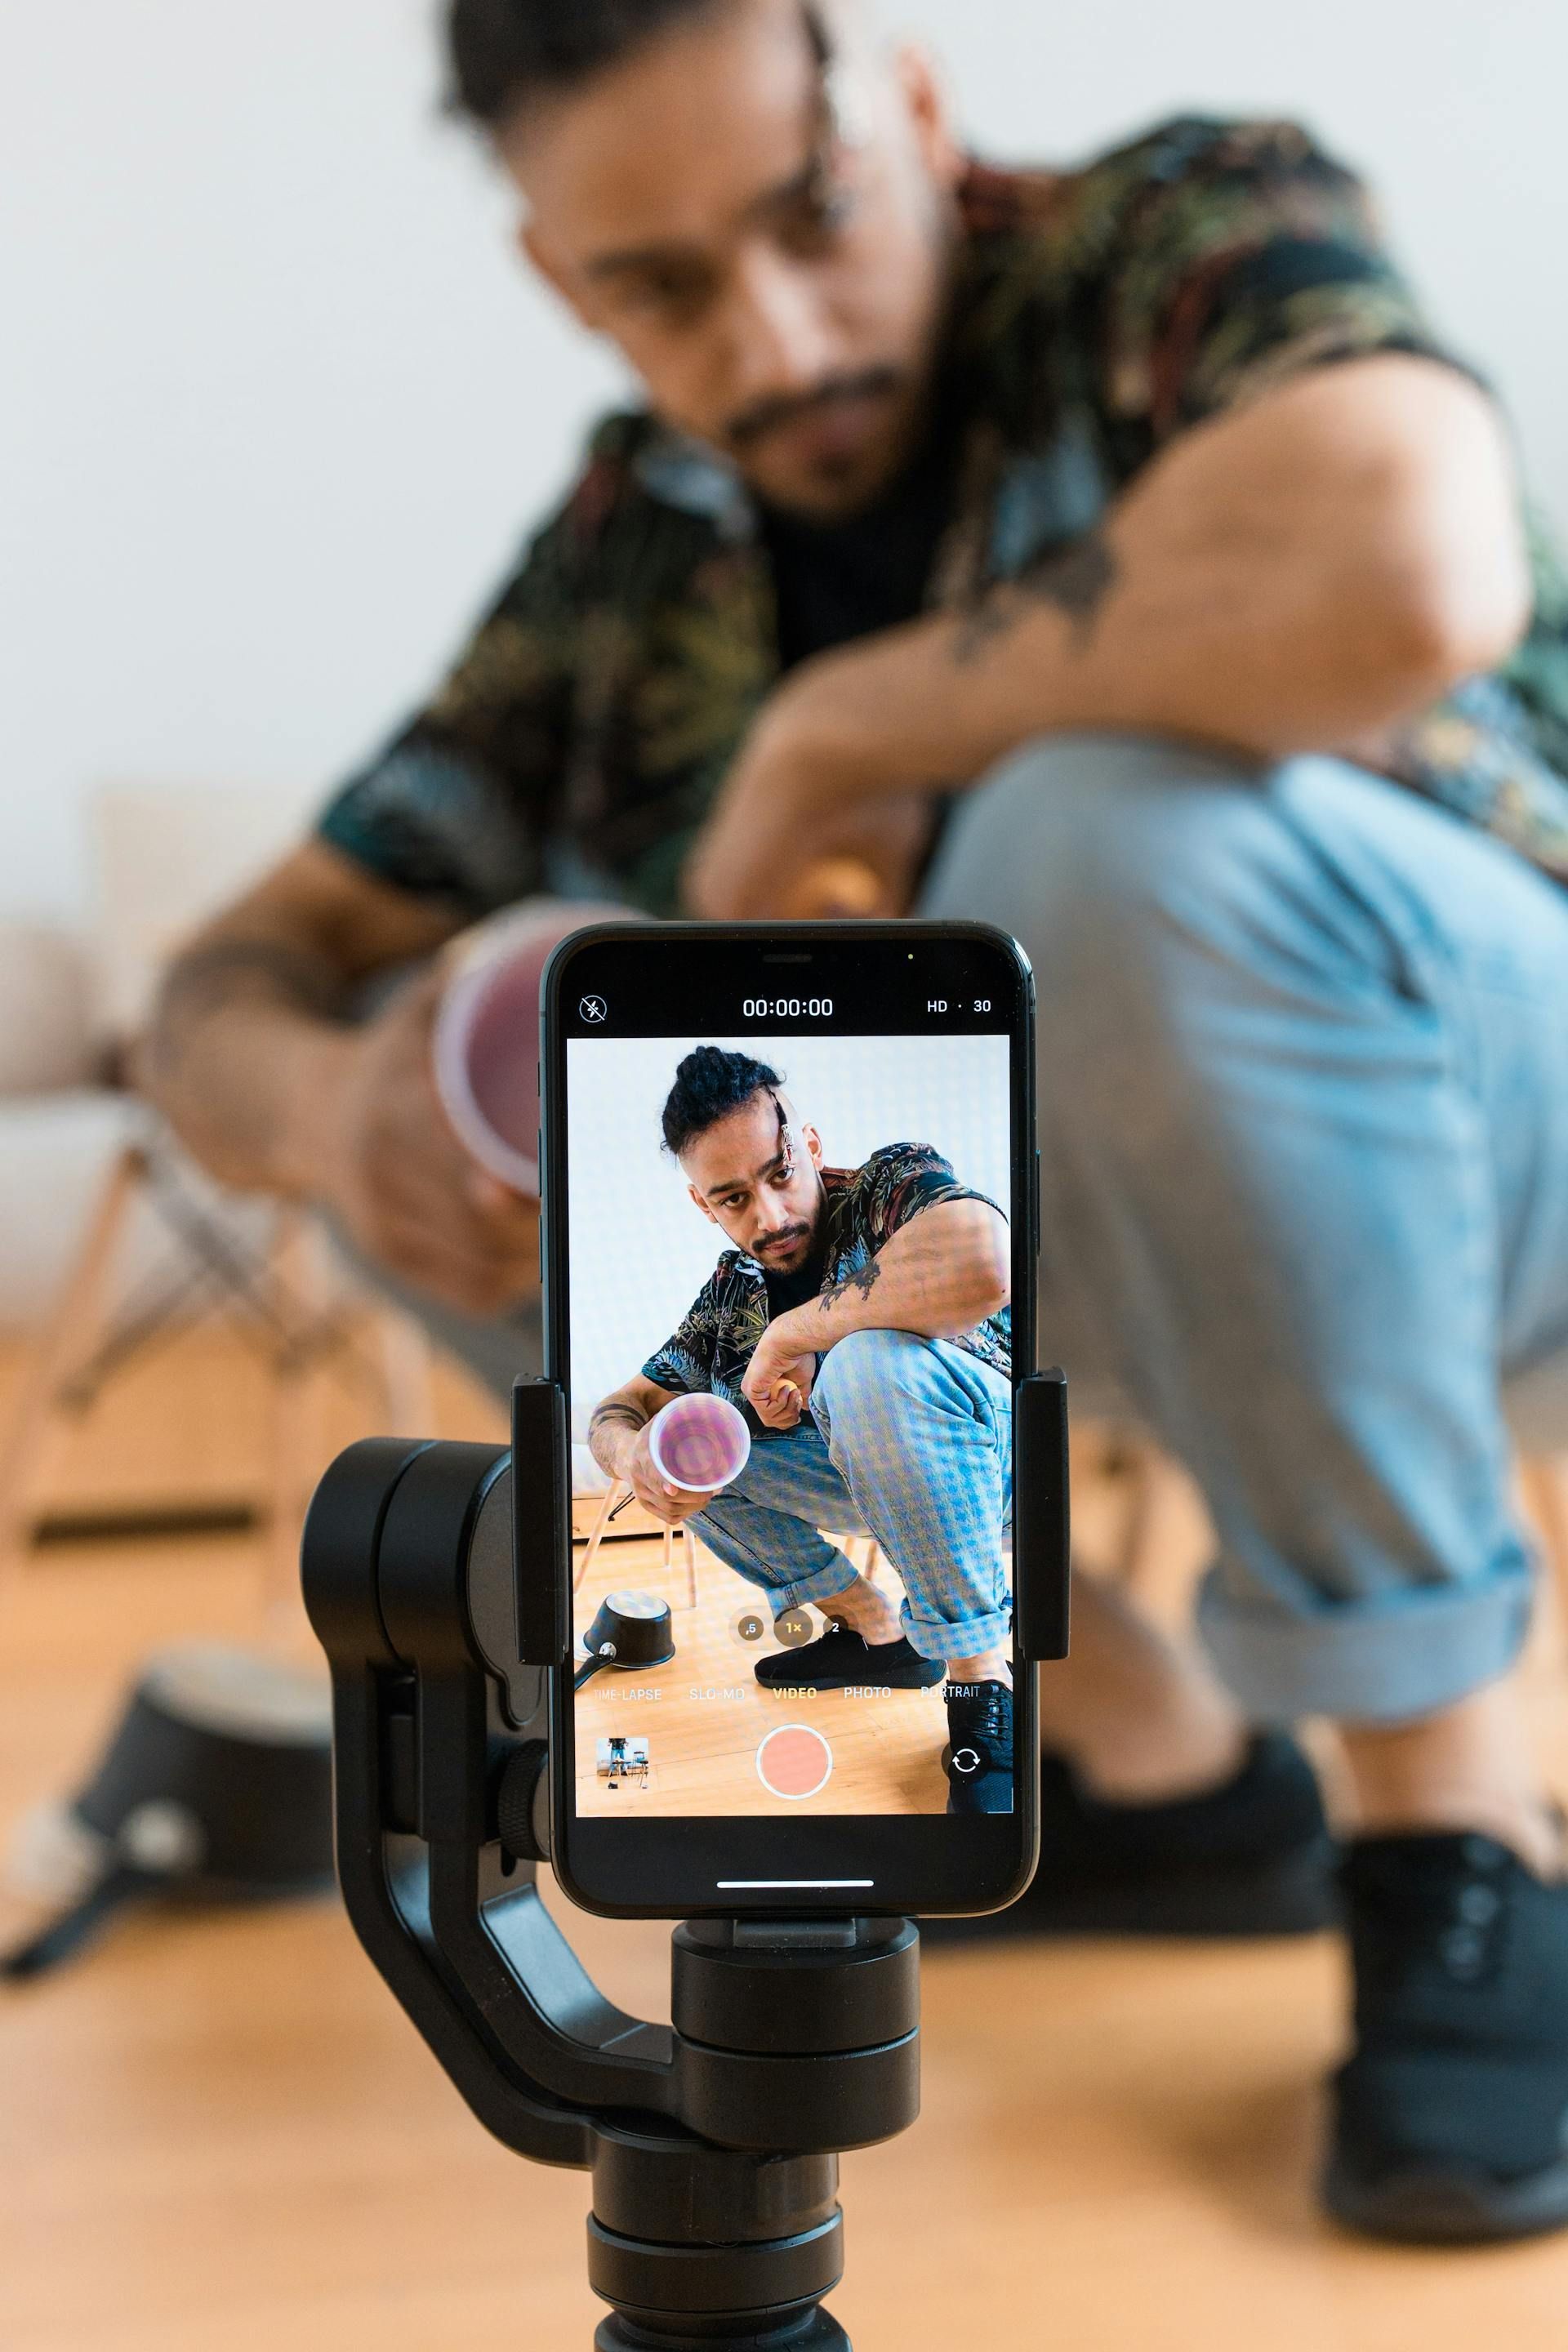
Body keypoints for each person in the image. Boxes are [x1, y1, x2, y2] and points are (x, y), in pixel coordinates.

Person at [141, 0, 1568, 2243]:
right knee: (517, 1032)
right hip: (1082, 1277)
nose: (778, 336)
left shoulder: (1178, 237)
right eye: (668, 288)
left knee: (1096, 844)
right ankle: (1156, 1767)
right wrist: (333, 1109)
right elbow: (230, 980)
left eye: (810, 217)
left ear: (905, 100)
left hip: (1491, 1133)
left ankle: (1455, 1830)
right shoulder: (630, 547)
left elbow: (1413, 553)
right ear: (558, 278)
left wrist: (831, 730)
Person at [589, 1047, 1017, 1812]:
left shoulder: (890, 1183)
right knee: (686, 1440)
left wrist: (793, 1336)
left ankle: (981, 1684)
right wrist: (636, 1459)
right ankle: (876, 1633)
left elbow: (984, 1261)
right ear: (704, 1206)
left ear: (810, 1147)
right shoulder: (730, 1293)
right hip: (866, 1480)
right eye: (733, 1200)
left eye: (780, 1174)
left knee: (865, 1366)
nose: (771, 1216)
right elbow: (617, 1412)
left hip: (998, 1458)